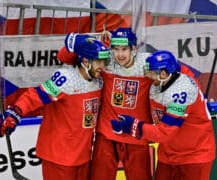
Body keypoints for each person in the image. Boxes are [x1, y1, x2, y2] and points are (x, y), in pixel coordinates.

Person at [0, 34, 110, 180]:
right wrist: (15, 112)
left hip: (83, 155)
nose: (102, 66)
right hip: (59, 156)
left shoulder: (98, 80)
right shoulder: (66, 80)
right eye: (98, 61)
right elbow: (34, 96)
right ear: (85, 61)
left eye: (104, 61)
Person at [57, 27, 153, 180]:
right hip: (107, 135)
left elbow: (177, 72)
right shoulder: (105, 60)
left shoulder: (147, 63)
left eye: (124, 49)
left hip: (136, 137)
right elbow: (64, 57)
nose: (120, 54)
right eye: (115, 49)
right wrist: (81, 43)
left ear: (134, 49)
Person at [111, 50, 216, 180]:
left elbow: (164, 133)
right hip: (167, 155)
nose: (147, 75)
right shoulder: (161, 82)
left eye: (151, 72)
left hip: (193, 157)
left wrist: (133, 126)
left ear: (164, 73)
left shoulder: (181, 93)